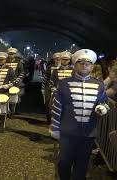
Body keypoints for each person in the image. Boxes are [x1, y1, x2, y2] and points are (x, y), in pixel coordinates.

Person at [50, 49, 110, 180]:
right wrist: (55, 128)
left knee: (82, 165)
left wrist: (103, 108)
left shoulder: (99, 85)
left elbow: (104, 103)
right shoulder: (64, 83)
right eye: (81, 63)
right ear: (75, 65)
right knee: (64, 163)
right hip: (67, 132)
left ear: (92, 66)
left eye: (88, 63)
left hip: (88, 134)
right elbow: (57, 107)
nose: (84, 65)